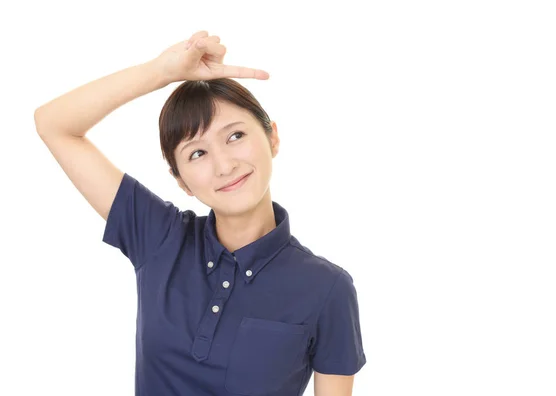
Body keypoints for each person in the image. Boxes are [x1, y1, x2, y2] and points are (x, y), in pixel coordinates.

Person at [34, 30, 366, 396]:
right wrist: (161, 71)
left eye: (235, 136)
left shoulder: (327, 287)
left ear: (272, 137)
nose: (224, 165)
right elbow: (54, 124)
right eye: (197, 153)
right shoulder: (160, 238)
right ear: (182, 182)